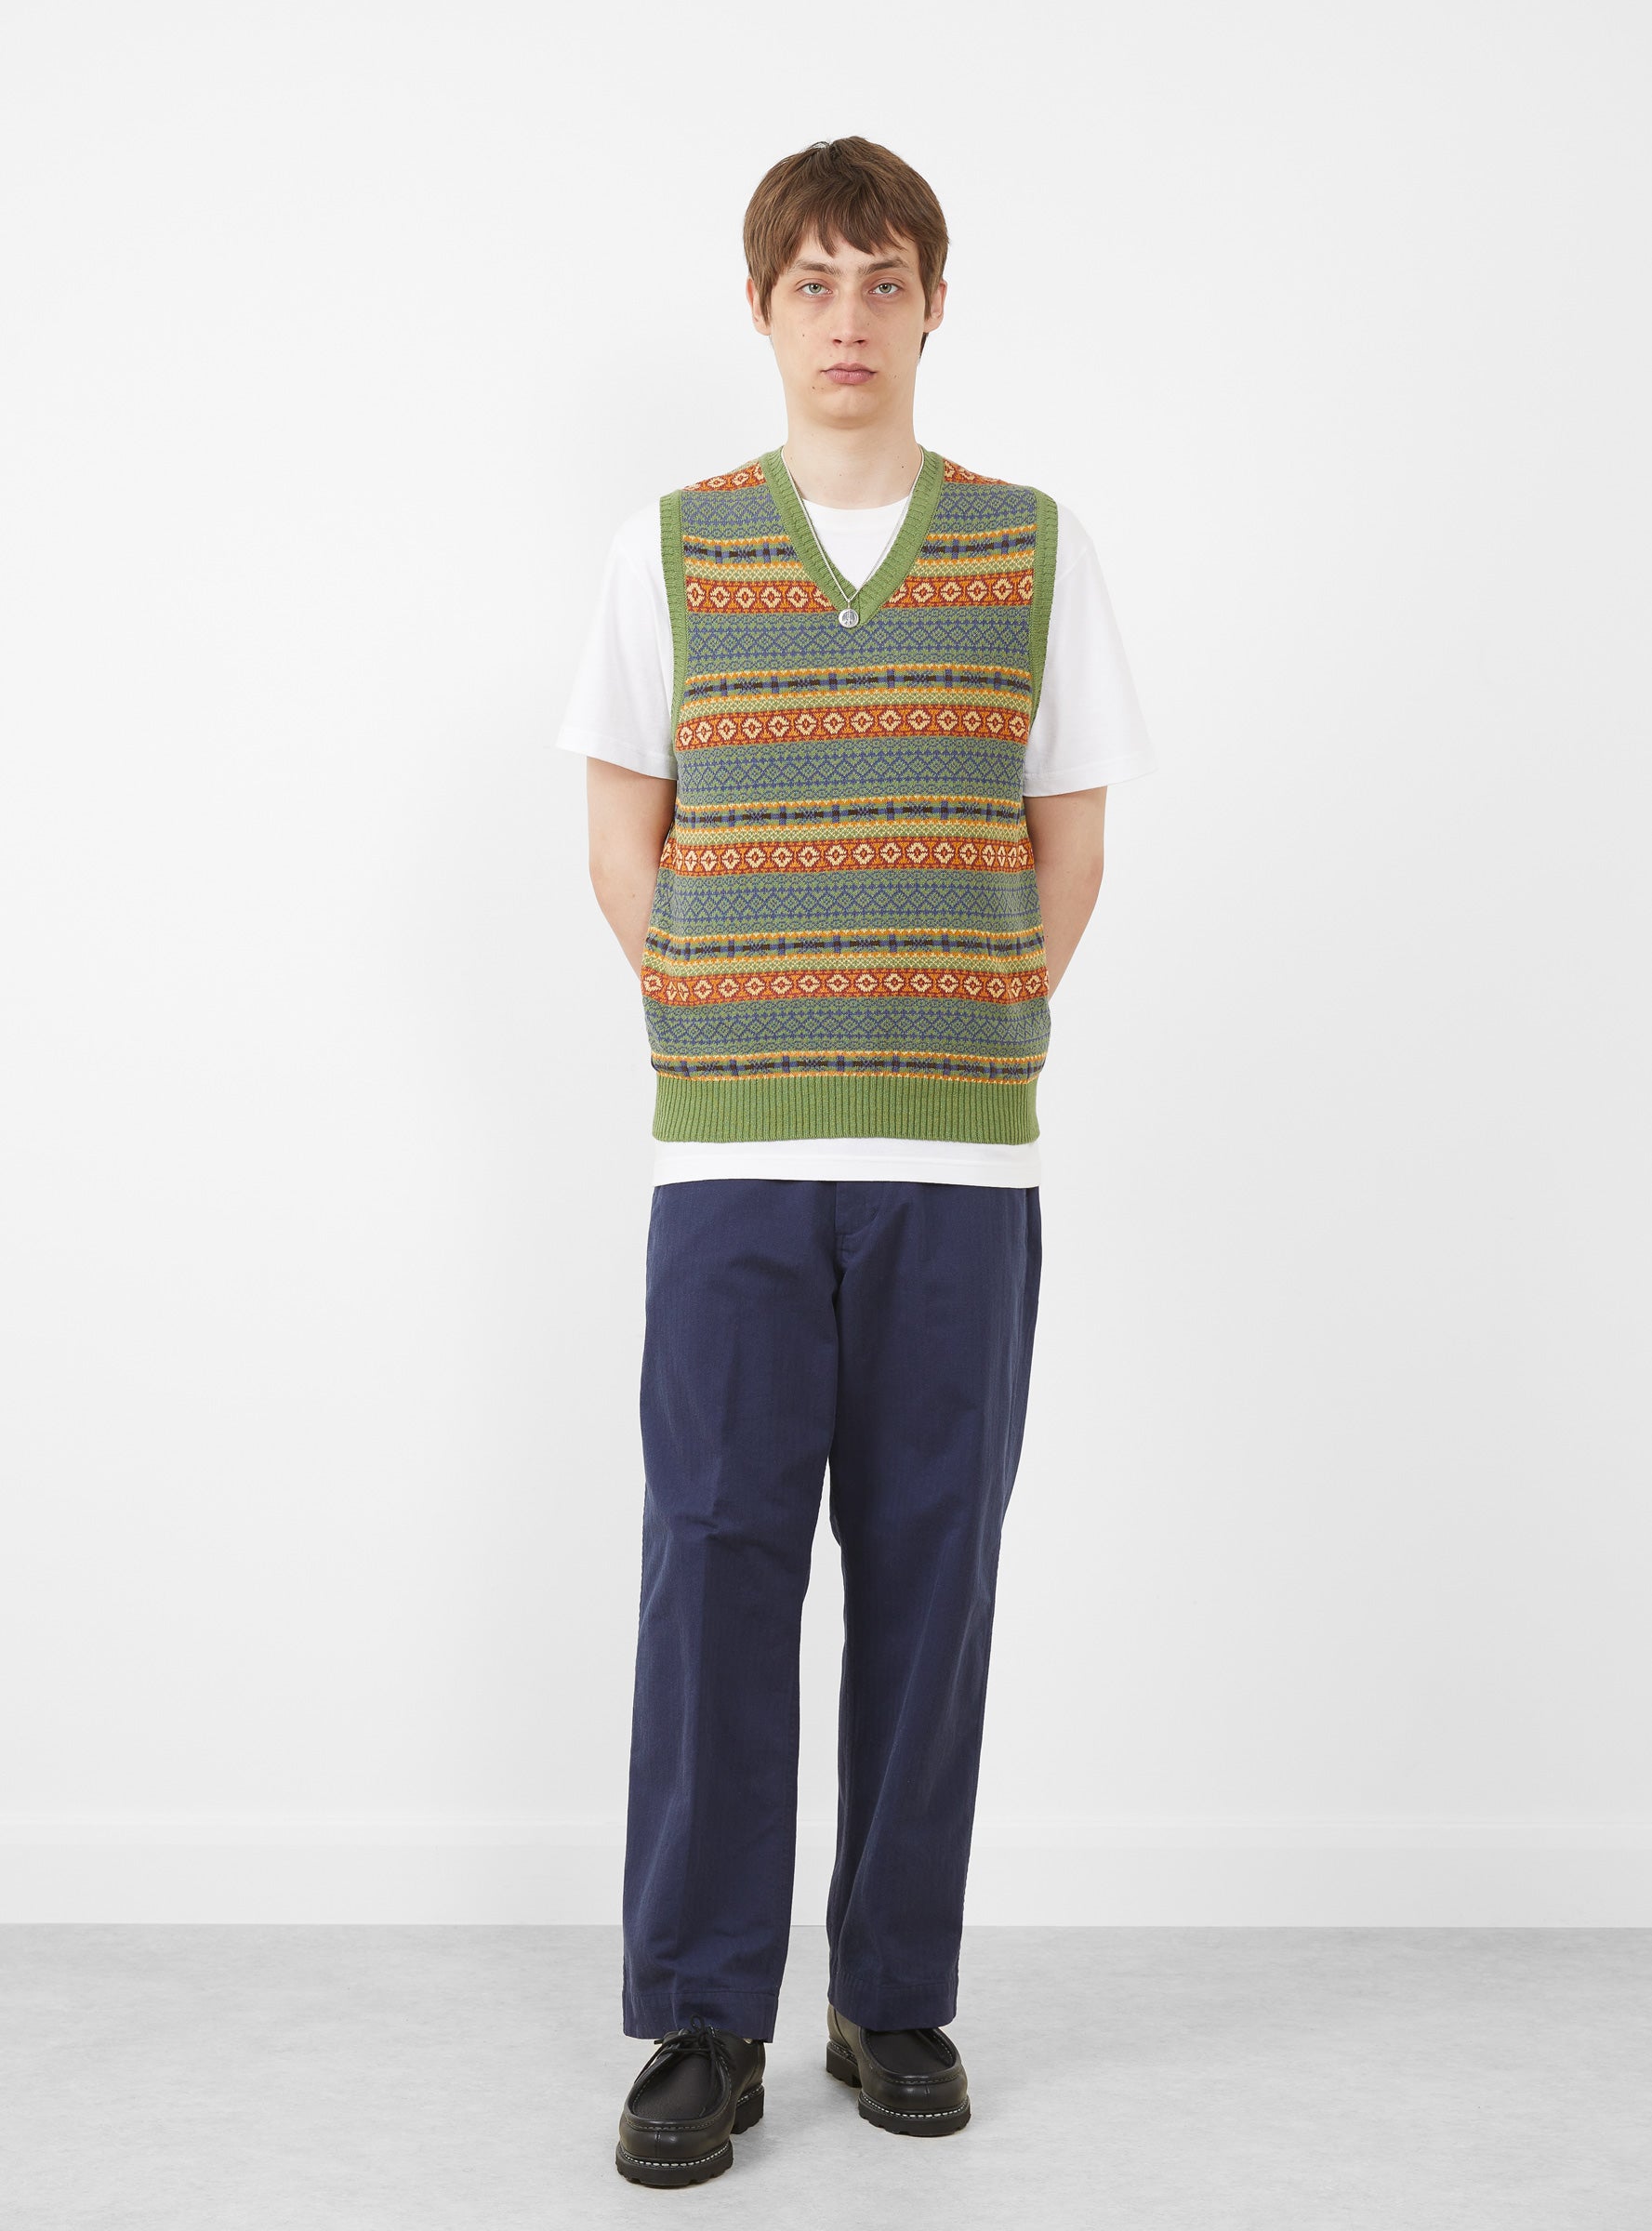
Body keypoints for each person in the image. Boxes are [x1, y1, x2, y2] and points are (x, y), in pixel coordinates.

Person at [554, 135, 1157, 2187]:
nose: (846, 318)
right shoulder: (669, 550)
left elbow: (1069, 848)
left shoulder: (1032, 550)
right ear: (761, 310)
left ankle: (890, 1992)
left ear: (931, 306)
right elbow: (618, 835)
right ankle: (700, 2017)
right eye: (810, 282)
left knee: (930, 1572)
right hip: (729, 1159)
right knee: (714, 1566)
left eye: (881, 279)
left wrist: (961, 1011)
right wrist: (723, 1011)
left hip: (957, 1164)